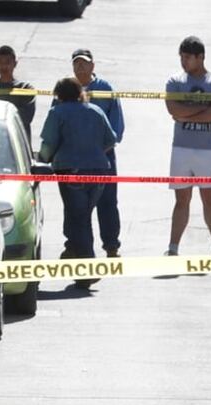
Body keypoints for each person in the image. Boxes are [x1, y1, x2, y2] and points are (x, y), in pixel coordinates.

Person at [38, 77, 116, 289]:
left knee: (79, 219)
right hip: (99, 172)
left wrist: (39, 163)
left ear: (59, 95)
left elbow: (49, 143)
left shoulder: (58, 113)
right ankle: (73, 252)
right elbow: (110, 140)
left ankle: (86, 268)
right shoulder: (96, 111)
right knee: (82, 217)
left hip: (72, 173)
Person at [164, 36, 211, 256]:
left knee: (209, 200)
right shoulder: (175, 81)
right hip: (181, 149)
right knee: (181, 200)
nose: (184, 62)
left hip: (208, 150)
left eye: (188, 58)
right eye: (181, 57)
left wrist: (186, 114)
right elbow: (173, 109)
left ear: (200, 57)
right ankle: (173, 248)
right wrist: (201, 111)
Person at [70, 48, 124, 258]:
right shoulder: (67, 88)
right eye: (76, 63)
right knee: (76, 206)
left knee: (107, 202)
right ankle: (75, 246)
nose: (80, 67)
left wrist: (102, 148)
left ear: (93, 65)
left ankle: (111, 245)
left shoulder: (104, 88)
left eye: (84, 63)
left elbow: (116, 127)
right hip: (75, 158)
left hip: (103, 157)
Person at [0, 45, 36, 142]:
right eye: (0, 62)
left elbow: (25, 117)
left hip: (18, 145)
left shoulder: (26, 89)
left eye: (7, 62)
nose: (3, 66)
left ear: (15, 64)